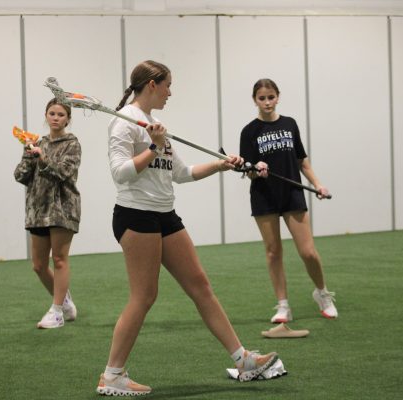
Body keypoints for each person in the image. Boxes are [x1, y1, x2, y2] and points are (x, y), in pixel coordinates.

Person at [97, 60, 278, 396]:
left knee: (200, 285)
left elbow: (181, 172)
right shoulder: (124, 124)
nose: (171, 92)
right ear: (152, 84)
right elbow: (121, 173)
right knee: (144, 296)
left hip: (165, 215)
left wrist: (222, 165)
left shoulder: (154, 124)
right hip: (136, 216)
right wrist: (153, 147)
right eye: (168, 85)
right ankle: (112, 375)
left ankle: (243, 361)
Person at [239, 78, 338, 323]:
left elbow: (302, 161)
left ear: (278, 97)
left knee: (308, 252)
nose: (267, 102)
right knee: (273, 252)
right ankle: (283, 306)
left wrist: (318, 184)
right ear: (255, 100)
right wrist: (255, 168)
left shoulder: (289, 124)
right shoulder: (249, 131)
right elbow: (247, 169)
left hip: (292, 193)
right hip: (264, 197)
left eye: (271, 97)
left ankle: (323, 294)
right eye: (262, 98)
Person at [14, 98, 81, 329]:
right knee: (39, 265)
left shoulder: (72, 144)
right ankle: (64, 301)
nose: (55, 118)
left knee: (60, 259)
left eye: (61, 114)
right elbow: (21, 176)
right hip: (38, 209)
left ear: (68, 119)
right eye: (52, 113)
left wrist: (43, 157)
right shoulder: (36, 143)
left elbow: (64, 172)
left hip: (63, 208)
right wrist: (28, 155)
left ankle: (57, 312)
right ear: (46, 116)